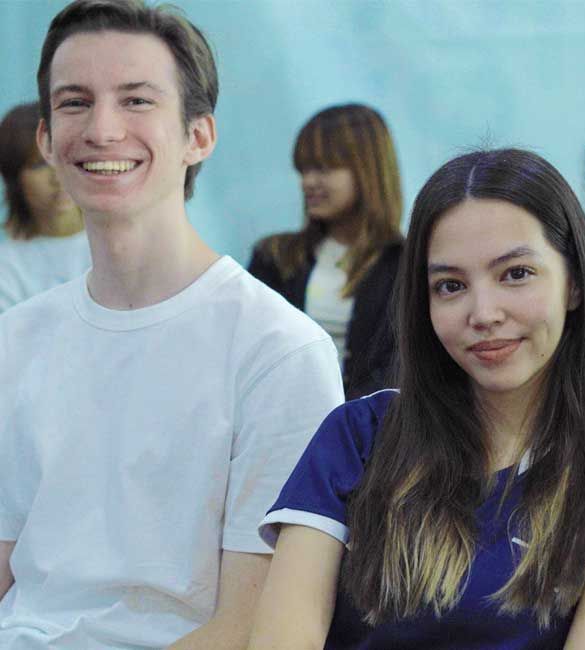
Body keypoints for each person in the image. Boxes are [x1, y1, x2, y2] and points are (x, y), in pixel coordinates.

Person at [247, 148, 585, 649]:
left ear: (573, 283)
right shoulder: (359, 434)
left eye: (516, 274)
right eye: (451, 285)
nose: (483, 313)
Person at [0, 1, 343, 648]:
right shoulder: (16, 340)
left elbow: (252, 624)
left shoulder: (280, 352)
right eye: (74, 102)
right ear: (45, 139)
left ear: (199, 136)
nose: (102, 129)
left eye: (136, 101)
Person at [248, 103, 403, 399]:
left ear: (367, 170)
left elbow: (400, 370)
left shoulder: (407, 264)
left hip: (370, 432)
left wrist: (344, 424)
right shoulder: (274, 257)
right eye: (304, 169)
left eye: (323, 168)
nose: (308, 182)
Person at [0, 101, 89, 312]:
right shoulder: (7, 267)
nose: (57, 177)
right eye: (39, 165)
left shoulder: (121, 245)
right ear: (15, 180)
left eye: (65, 157)